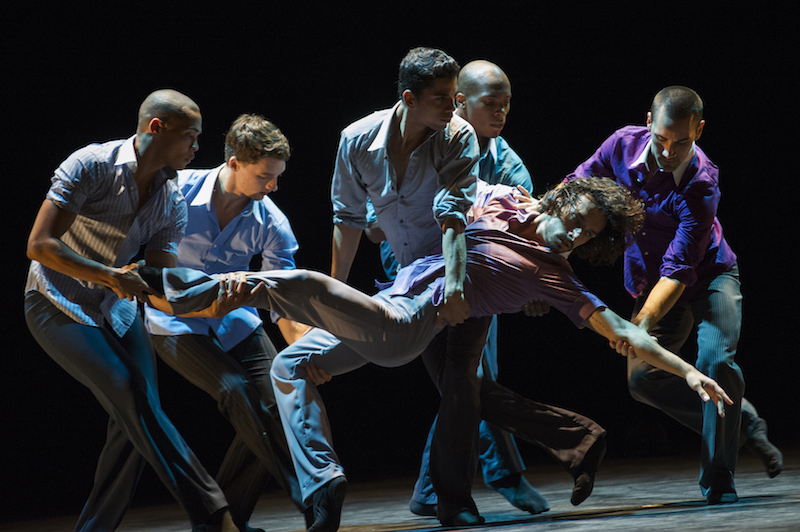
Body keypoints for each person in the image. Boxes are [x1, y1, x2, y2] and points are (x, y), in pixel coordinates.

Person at [142, 178, 733, 532]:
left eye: (585, 236)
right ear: (561, 199)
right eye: (574, 221)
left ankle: (168, 287)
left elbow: (627, 335)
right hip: (386, 301)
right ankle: (323, 480)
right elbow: (440, 201)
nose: (572, 237)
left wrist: (686, 372)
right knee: (287, 365)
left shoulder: (553, 277)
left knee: (295, 282)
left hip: (405, 325)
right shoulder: (500, 200)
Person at [24, 89, 238, 531]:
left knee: (134, 418)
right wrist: (110, 275)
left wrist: (212, 296)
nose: (196, 149)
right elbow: (39, 245)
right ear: (155, 128)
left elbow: (158, 276)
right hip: (55, 303)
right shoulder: (92, 165)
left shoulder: (171, 198)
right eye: (190, 137)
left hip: (115, 309)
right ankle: (215, 517)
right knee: (131, 393)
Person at [403, 60, 606, 517]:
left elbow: (532, 239)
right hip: (417, 273)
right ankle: (564, 444)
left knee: (463, 381)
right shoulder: (425, 141)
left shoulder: (508, 165)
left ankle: (443, 493)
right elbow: (387, 211)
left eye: (506, 106)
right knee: (465, 384)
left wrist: (538, 289)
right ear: (460, 102)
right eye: (490, 104)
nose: (500, 113)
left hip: (477, 281)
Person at [568, 86, 782, 504]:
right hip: (651, 281)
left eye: (680, 142)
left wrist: (638, 326)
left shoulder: (702, 183)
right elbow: (578, 186)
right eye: (661, 139)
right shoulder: (622, 145)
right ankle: (743, 424)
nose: (668, 151)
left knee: (716, 362)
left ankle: (719, 479)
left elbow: (680, 270)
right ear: (649, 122)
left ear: (698, 131)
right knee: (642, 379)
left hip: (709, 277)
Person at [329, 46, 488, 526]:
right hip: (408, 277)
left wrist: (457, 286)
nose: (453, 106)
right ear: (408, 98)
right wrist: (331, 299)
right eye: (441, 97)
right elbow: (348, 219)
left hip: (463, 265)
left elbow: (454, 218)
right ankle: (574, 437)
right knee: (456, 386)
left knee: (460, 380)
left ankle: (453, 499)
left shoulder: (457, 137)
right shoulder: (357, 141)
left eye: (455, 96)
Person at [143, 114, 311, 532]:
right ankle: (306, 489)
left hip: (235, 318)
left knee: (277, 400)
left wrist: (307, 350)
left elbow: (282, 302)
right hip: (172, 317)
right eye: (265, 176)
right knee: (234, 390)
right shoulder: (176, 192)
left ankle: (225, 521)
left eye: (277, 177)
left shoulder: (271, 222)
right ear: (234, 163)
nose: (272, 187)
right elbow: (139, 260)